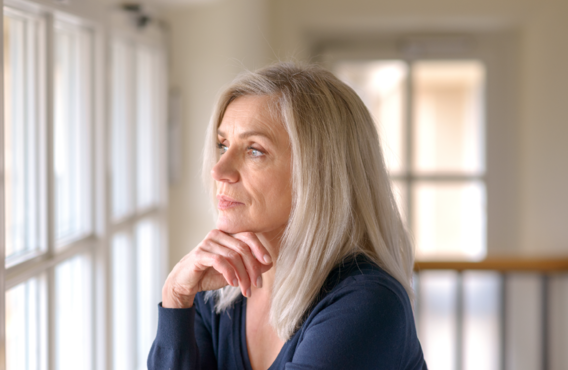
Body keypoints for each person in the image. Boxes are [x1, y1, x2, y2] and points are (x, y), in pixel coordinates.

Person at [148, 62, 427, 370]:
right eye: (222, 144)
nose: (219, 170)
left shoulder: (367, 303)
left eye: (254, 150)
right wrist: (175, 296)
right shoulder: (217, 295)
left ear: (319, 173)